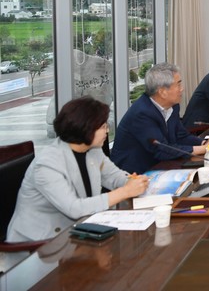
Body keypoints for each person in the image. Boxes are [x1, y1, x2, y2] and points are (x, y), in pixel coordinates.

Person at [6, 97, 149, 242]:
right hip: (40, 243)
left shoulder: (92, 150)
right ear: (86, 128)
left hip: (79, 230)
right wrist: (125, 191)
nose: (107, 131)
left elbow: (113, 176)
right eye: (103, 127)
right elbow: (74, 208)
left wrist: (132, 181)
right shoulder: (47, 164)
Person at [111, 63, 209, 174]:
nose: (182, 89)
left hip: (161, 166)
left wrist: (206, 142)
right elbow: (161, 150)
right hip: (133, 175)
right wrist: (206, 148)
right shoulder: (142, 113)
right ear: (162, 92)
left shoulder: (172, 106)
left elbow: (181, 136)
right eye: (178, 84)